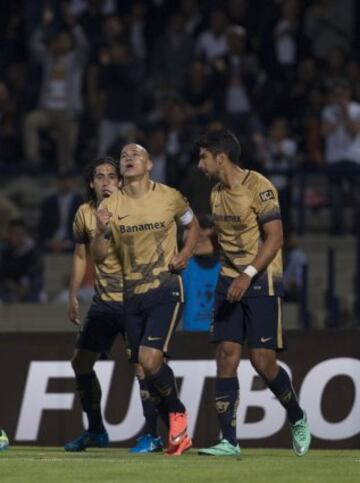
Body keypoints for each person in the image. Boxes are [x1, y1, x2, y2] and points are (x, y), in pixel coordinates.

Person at [195, 130, 311, 457]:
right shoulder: (216, 194)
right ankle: (229, 441)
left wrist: (247, 274)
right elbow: (226, 239)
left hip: (261, 279)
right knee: (226, 355)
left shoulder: (259, 187)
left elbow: (275, 237)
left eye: (203, 157)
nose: (199, 164)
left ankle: (298, 417)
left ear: (221, 157)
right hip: (228, 278)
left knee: (262, 361)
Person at [92, 143, 200, 456]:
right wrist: (101, 229)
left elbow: (191, 226)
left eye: (135, 154)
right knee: (145, 367)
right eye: (124, 155)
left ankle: (177, 413)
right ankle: (173, 434)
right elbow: (99, 256)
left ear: (150, 164)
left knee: (150, 359)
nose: (128, 158)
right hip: (132, 294)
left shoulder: (171, 196)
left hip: (166, 288)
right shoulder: (112, 204)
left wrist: (185, 253)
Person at [64, 156, 162, 453]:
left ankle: (152, 435)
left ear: (120, 182)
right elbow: (82, 257)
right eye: (99, 176)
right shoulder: (84, 213)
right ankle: (96, 431)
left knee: (142, 367)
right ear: (91, 183)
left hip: (134, 300)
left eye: (111, 175)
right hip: (104, 302)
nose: (106, 180)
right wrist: (72, 295)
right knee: (80, 362)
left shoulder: (133, 210)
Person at [182, 214, 220, 331]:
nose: (197, 240)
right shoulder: (184, 266)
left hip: (220, 334)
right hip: (189, 335)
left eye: (202, 237)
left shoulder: (226, 265)